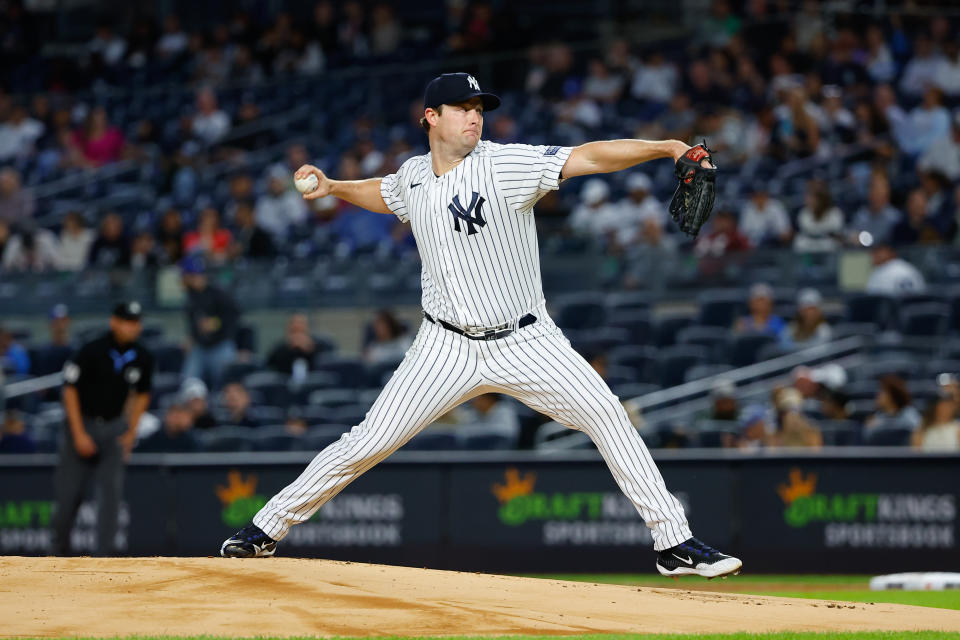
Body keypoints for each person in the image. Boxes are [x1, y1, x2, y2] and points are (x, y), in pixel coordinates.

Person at [220, 72, 741, 578]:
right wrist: (334, 186)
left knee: (608, 414)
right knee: (366, 442)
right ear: (431, 117)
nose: (474, 117)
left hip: (526, 340)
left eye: (479, 109)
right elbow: (387, 194)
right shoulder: (414, 175)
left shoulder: (505, 165)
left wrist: (668, 146)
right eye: (463, 109)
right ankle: (266, 528)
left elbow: (588, 155)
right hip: (443, 346)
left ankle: (672, 541)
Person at [51, 302, 153, 556]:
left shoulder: (142, 356)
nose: (133, 327)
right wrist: (78, 433)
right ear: (114, 322)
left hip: (114, 428)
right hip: (83, 424)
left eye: (136, 322)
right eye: (128, 321)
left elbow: (142, 395)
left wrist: (130, 432)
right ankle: (57, 554)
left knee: (111, 497)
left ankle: (103, 559)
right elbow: (69, 389)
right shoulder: (91, 350)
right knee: (68, 496)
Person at [180, 255, 240, 390]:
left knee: (224, 383)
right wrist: (191, 337)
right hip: (200, 347)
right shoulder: (190, 296)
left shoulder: (218, 293)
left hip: (220, 345)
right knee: (188, 382)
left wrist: (216, 323)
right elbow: (193, 323)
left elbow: (234, 315)